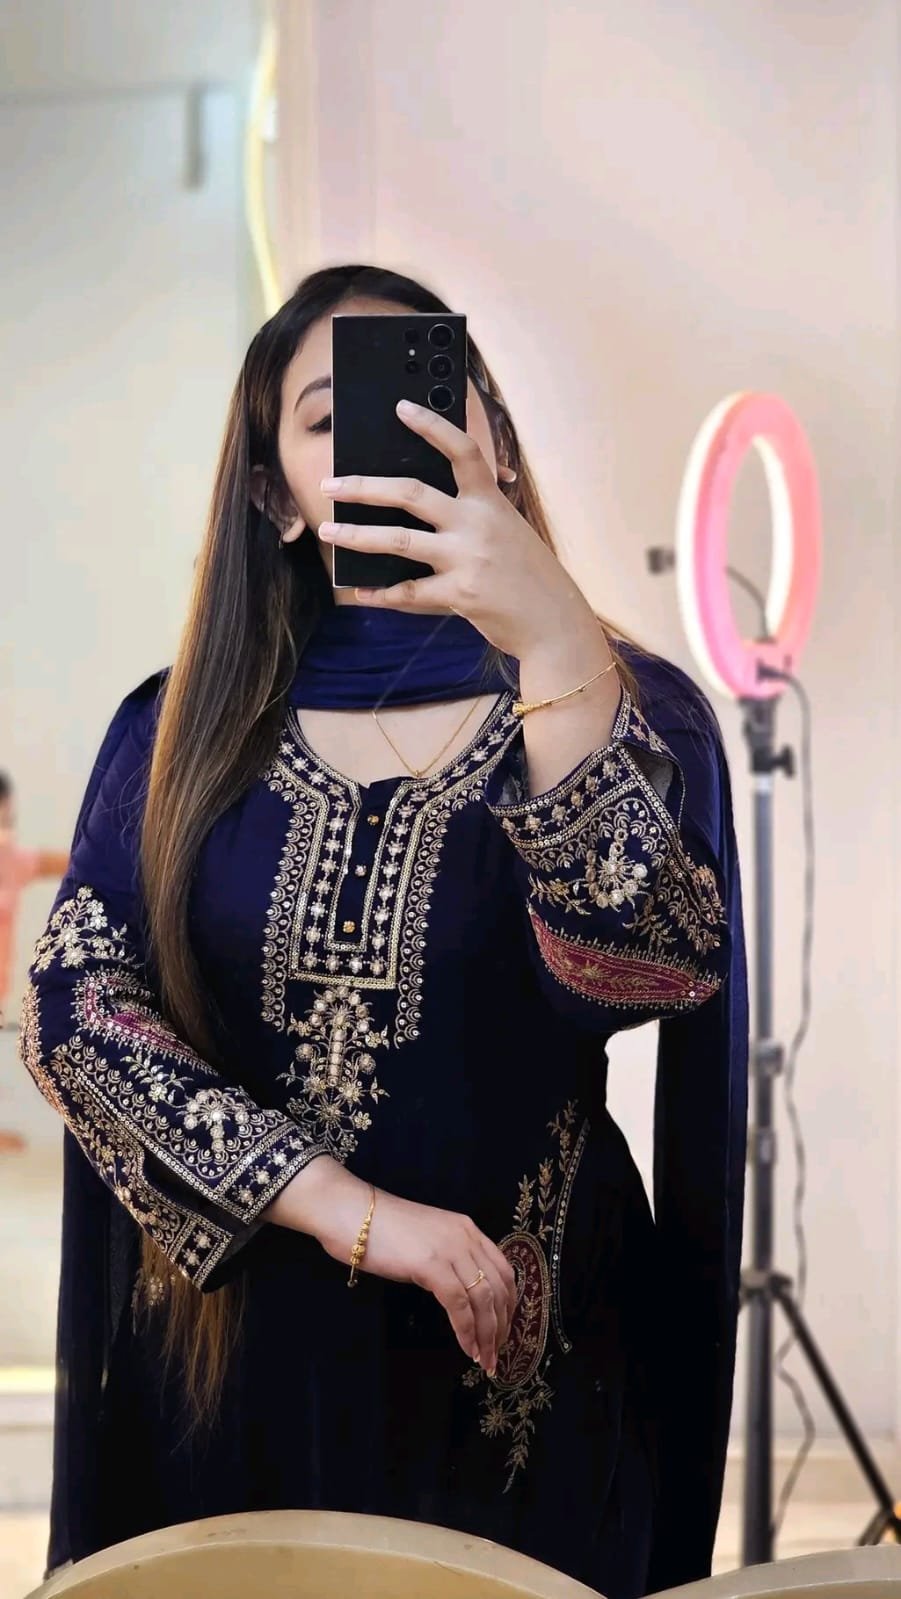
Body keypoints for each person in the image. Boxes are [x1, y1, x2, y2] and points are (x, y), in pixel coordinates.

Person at [21, 265, 748, 1598]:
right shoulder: (177, 730)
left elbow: (638, 970)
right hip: (238, 1375)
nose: (391, 438)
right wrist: (351, 1211)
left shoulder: (632, 705)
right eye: (330, 416)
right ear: (272, 496)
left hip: (525, 1378)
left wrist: (552, 646)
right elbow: (77, 1017)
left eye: (429, 400)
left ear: (494, 445)